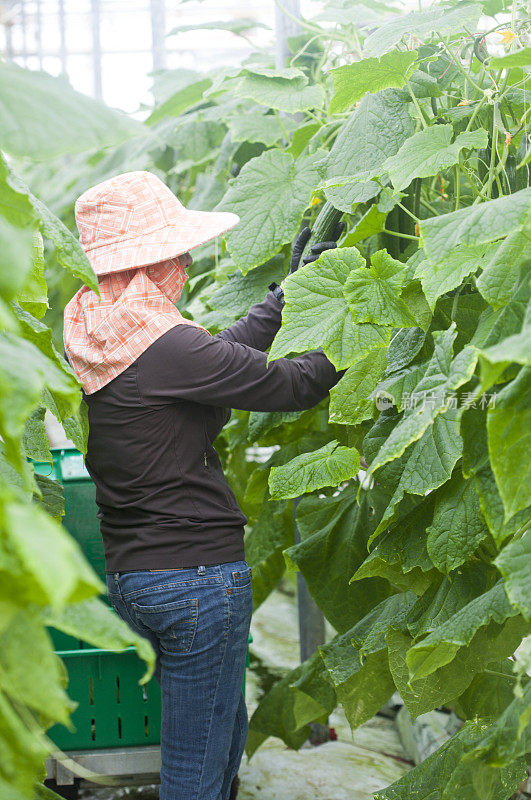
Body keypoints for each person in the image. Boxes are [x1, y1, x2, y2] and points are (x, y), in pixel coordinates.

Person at [63, 170, 345, 800]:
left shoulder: (103, 332)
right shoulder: (166, 347)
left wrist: (289, 294)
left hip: (140, 575)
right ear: (151, 261)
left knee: (217, 747)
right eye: (175, 253)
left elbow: (217, 359)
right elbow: (291, 383)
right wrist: (358, 319)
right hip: (196, 581)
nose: (185, 263)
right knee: (195, 774)